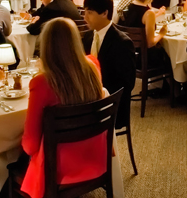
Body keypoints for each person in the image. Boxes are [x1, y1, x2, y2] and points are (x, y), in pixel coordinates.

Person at [20, 18, 120, 198]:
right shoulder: (92, 66)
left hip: (59, 170)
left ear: (46, 46)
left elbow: (30, 145)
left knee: (16, 160)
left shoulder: (42, 83)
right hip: (95, 155)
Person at [83, 0, 136, 130]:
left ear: (104, 13)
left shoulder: (122, 42)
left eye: (89, 12)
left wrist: (100, 95)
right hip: (87, 99)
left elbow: (127, 83)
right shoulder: (87, 37)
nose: (85, 17)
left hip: (111, 105)